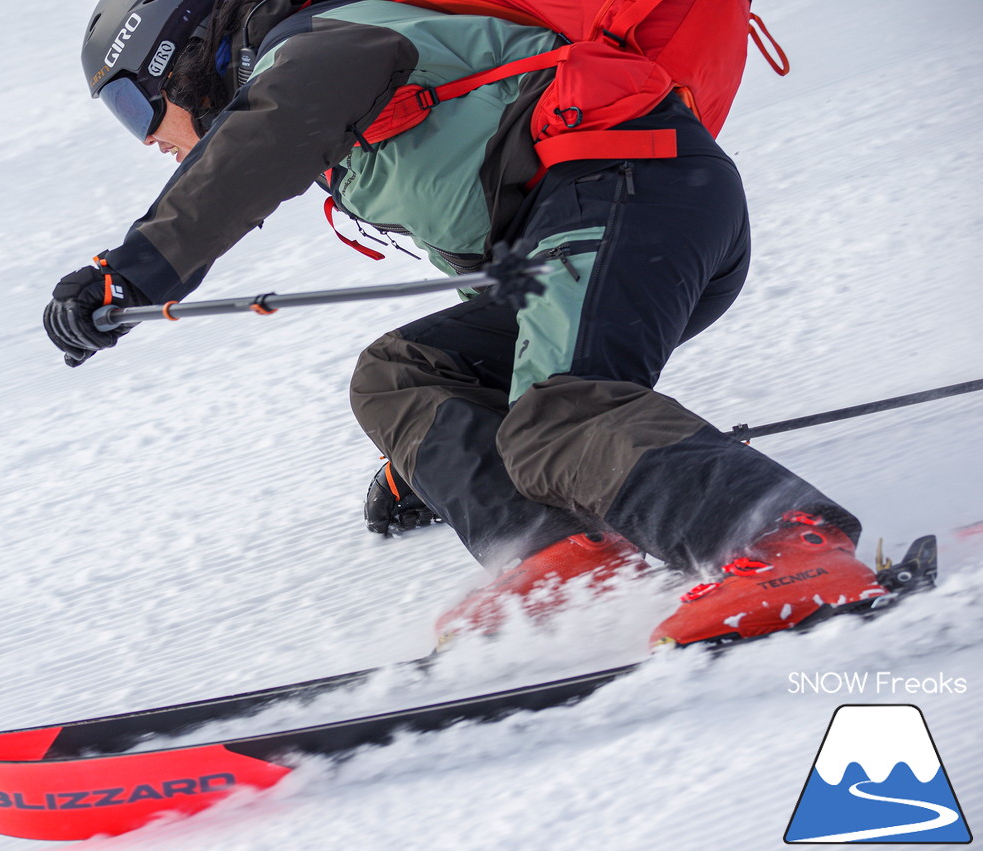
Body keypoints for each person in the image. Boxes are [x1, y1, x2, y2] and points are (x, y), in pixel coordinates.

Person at [45, 0, 892, 648]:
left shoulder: (325, 43)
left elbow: (260, 145)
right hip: (600, 216)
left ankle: (789, 545)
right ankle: (563, 555)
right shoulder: (338, 73)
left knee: (563, 414)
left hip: (633, 182)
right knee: (403, 374)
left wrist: (132, 273)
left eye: (135, 107)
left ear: (183, 59)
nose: (151, 140)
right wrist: (446, 456)